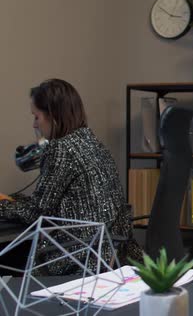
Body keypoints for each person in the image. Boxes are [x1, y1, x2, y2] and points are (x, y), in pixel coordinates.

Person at [0, 79, 142, 275]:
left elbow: (36, 214)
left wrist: (2, 205)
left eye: (36, 117)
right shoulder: (89, 140)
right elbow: (56, 202)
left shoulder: (61, 149)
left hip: (78, 256)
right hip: (110, 253)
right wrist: (14, 201)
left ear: (53, 116)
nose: (34, 125)